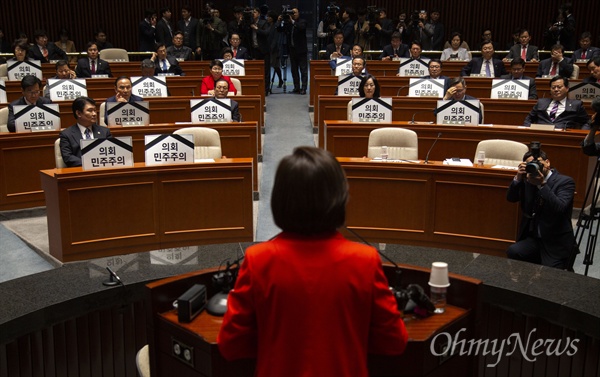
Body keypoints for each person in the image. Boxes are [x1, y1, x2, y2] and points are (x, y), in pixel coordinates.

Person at [218, 146, 408, 377]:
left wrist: (275, 344)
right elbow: (394, 342)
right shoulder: (364, 260)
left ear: (280, 200)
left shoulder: (258, 260)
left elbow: (230, 345)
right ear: (340, 198)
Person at [506, 147, 575, 269]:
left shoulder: (565, 182)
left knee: (550, 275)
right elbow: (511, 198)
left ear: (547, 163)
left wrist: (542, 185)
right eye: (530, 164)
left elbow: (560, 208)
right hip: (534, 238)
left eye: (537, 163)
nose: (534, 167)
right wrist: (518, 178)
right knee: (514, 251)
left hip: (555, 241)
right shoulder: (528, 180)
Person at [59, 97, 112, 167]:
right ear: (78, 113)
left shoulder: (105, 132)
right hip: (80, 172)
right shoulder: (66, 134)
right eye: (90, 111)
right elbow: (68, 157)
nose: (94, 114)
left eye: (95, 110)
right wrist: (90, 163)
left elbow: (111, 152)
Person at [524, 76, 589, 129]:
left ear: (567, 89)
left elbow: (587, 122)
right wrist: (529, 130)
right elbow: (528, 119)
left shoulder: (576, 104)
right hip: (541, 134)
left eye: (559, 87)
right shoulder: (541, 102)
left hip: (564, 136)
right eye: (553, 87)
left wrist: (582, 134)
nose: (556, 90)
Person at [278, 7, 308, 95]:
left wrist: (292, 21)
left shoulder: (302, 21)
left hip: (301, 50)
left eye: (295, 12)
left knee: (303, 70)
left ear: (299, 13)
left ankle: (304, 88)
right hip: (292, 50)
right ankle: (296, 87)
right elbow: (279, 30)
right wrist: (279, 21)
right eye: (292, 13)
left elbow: (301, 28)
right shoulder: (288, 23)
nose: (293, 14)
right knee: (294, 70)